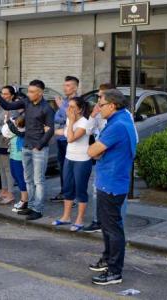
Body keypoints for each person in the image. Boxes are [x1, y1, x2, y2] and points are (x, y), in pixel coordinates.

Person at [87, 88, 138, 286]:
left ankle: (115, 272)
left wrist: (96, 150)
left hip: (111, 183)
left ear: (112, 105)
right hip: (110, 181)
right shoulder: (124, 117)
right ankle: (107, 260)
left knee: (113, 229)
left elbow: (93, 151)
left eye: (101, 104)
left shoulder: (117, 125)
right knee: (108, 228)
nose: (98, 109)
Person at [0, 80, 55, 221]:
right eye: (28, 91)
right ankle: (31, 204)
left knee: (38, 180)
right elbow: (8, 105)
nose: (29, 94)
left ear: (40, 93)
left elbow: (50, 130)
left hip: (38, 149)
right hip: (26, 146)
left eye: (32, 91)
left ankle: (38, 209)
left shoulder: (47, 108)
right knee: (28, 179)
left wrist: (39, 145)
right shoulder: (27, 102)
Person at [52, 97, 93, 232]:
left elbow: (70, 138)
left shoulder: (84, 122)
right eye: (68, 106)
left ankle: (79, 220)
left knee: (80, 191)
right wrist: (48, 130)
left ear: (80, 109)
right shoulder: (71, 120)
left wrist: (71, 123)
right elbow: (63, 132)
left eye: (72, 107)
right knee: (68, 189)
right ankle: (66, 217)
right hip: (69, 158)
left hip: (82, 160)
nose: (69, 110)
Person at [83, 83, 114, 233]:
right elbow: (88, 131)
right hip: (99, 157)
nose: (98, 99)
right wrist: (93, 115)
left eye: (101, 96)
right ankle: (98, 221)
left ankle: (109, 223)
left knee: (110, 193)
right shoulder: (98, 111)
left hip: (112, 159)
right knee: (97, 190)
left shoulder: (119, 115)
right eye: (98, 96)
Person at [50, 76, 81, 203]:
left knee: (70, 169)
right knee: (62, 167)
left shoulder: (78, 101)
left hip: (70, 139)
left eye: (68, 85)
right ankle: (64, 192)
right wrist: (63, 113)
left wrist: (61, 107)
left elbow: (72, 118)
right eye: (64, 85)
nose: (65, 87)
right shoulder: (65, 101)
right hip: (61, 139)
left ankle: (72, 196)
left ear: (75, 87)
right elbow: (57, 119)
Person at [0, 86, 16, 204]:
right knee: (1, 169)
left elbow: (9, 126)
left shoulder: (14, 108)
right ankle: (3, 191)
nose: (3, 96)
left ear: (12, 95)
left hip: (6, 142)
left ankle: (11, 194)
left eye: (6, 94)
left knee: (8, 169)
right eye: (2, 94)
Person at [4, 114, 29, 212]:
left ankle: (24, 200)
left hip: (20, 157)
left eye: (17, 122)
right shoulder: (15, 131)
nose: (16, 123)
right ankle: (25, 198)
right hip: (13, 155)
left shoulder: (21, 131)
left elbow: (14, 130)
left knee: (21, 177)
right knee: (15, 175)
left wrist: (9, 122)